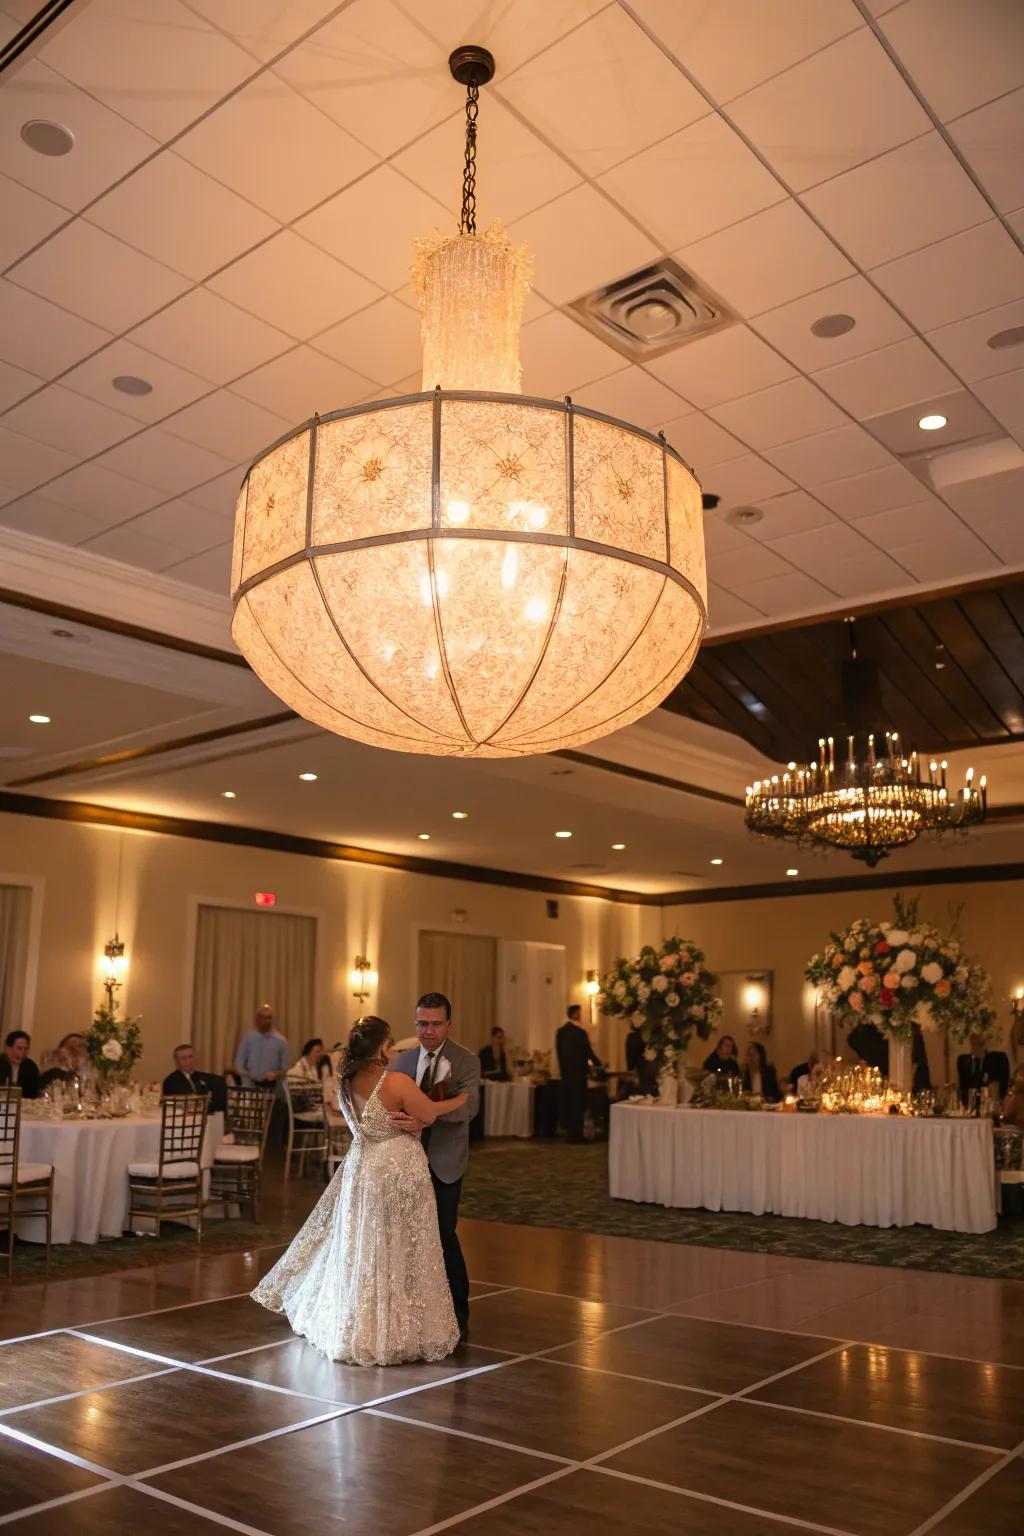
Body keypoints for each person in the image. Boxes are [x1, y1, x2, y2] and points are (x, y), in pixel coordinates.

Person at [252, 1016, 466, 1364]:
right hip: (396, 1171)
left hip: (362, 1169)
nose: (395, 1048)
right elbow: (427, 1112)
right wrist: (455, 1102)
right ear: (382, 1047)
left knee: (366, 1246)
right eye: (391, 1042)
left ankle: (362, 1324)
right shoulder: (395, 1082)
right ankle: (399, 1328)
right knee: (400, 1245)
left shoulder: (346, 1081)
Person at [389, 993, 480, 1340]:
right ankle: (413, 1311)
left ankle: (458, 1312)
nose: (427, 1031)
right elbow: (389, 1104)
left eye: (435, 1024)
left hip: (445, 1163)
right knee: (406, 1238)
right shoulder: (402, 1062)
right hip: (404, 1162)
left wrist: (425, 1118)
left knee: (443, 1235)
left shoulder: (466, 1061)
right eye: (422, 1024)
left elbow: (468, 1108)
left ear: (448, 1025)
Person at [556, 1003, 602, 1143]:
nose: (580, 1016)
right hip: (578, 1075)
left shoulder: (561, 1032)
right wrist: (598, 1064)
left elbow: (560, 1054)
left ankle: (570, 1134)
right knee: (578, 1105)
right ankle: (577, 1136)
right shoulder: (580, 1033)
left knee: (569, 1104)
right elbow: (588, 1052)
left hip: (566, 1075)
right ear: (575, 1014)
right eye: (580, 1013)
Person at [234, 1004, 289, 1090]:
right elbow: (239, 1064)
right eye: (262, 1017)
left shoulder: (281, 1041)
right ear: (257, 1019)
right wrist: (245, 1074)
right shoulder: (248, 1039)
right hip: (249, 1085)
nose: (266, 1021)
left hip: (271, 1087)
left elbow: (286, 1069)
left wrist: (276, 1074)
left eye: (269, 1017)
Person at [161, 1043, 227, 1113]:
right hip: (183, 1118)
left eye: (190, 1057)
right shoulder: (171, 1081)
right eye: (183, 1058)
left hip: (207, 1115)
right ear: (176, 1061)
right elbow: (178, 1103)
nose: (188, 1061)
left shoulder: (205, 1077)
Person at [957, 1033, 1011, 1107]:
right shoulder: (964, 1061)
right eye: (974, 1044)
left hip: (988, 1104)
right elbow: (962, 1087)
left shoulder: (995, 1060)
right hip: (969, 1105)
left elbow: (996, 1086)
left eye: (978, 1044)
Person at [0, 1030, 40, 1098]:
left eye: (26, 1049)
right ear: (8, 1049)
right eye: (19, 1048)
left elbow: (34, 1094)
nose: (23, 1053)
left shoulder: (30, 1067)